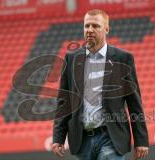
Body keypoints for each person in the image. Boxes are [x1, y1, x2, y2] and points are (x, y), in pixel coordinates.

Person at [52, 9, 149, 160]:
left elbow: (134, 101)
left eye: (95, 26)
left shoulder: (123, 58)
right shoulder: (71, 59)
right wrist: (58, 137)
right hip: (82, 140)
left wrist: (141, 140)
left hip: (111, 137)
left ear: (107, 29)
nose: (90, 30)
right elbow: (64, 102)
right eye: (87, 26)